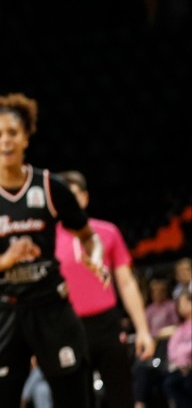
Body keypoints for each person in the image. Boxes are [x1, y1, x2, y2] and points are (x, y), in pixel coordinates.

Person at [0, 93, 109, 408]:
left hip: (49, 306)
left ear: (25, 137)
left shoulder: (51, 186)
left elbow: (88, 236)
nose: (5, 140)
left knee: (77, 398)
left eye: (12, 132)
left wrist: (94, 257)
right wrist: (5, 259)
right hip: (0, 312)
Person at [53, 170, 155, 408]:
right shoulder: (47, 241)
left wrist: (143, 330)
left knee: (122, 398)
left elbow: (127, 283)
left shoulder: (108, 232)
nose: (68, 201)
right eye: (62, 197)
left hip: (107, 326)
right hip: (67, 329)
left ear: (85, 198)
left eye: (73, 195)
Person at [163, 291, 192, 408]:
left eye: (184, 303)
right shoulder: (181, 327)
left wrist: (187, 361)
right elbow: (172, 348)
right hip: (181, 367)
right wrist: (182, 364)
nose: (181, 307)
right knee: (169, 384)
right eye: (179, 304)